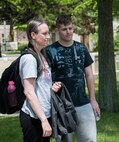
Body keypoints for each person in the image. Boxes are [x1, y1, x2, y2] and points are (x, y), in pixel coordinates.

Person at [45, 14, 100, 142]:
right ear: (58, 30)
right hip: (61, 104)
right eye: (64, 29)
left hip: (83, 102)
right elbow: (45, 78)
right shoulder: (49, 51)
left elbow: (89, 74)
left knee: (89, 139)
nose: (68, 32)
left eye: (70, 28)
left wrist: (93, 99)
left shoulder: (81, 48)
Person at [19, 19, 62, 142]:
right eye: (44, 33)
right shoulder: (29, 58)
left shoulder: (42, 55)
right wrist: (43, 120)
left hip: (44, 114)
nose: (48, 37)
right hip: (34, 117)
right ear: (33, 35)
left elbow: (40, 85)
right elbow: (29, 92)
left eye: (48, 33)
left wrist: (51, 89)